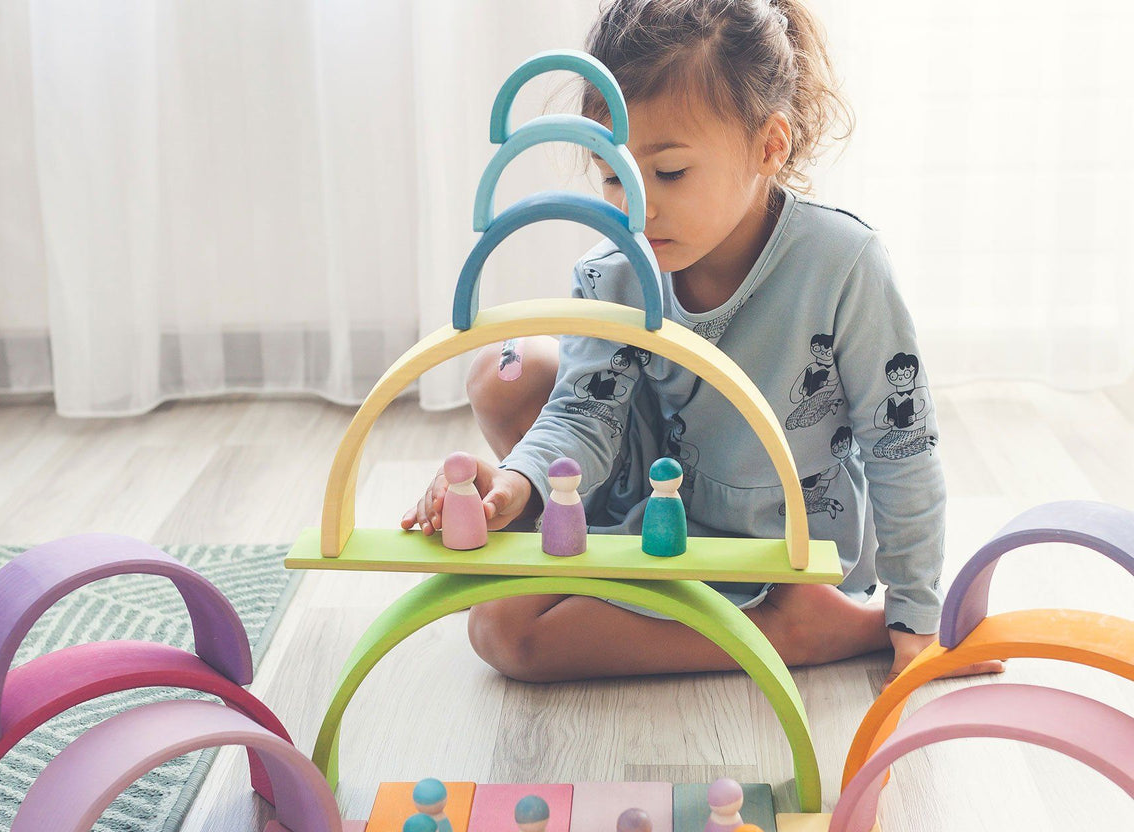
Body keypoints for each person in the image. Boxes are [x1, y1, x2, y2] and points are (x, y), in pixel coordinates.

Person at [401, 0, 1003, 689]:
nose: (638, 207)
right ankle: (749, 615)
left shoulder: (845, 265)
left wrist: (913, 619)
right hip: (656, 513)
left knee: (503, 632)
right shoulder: (614, 270)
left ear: (769, 147)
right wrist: (517, 486)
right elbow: (582, 415)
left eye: (670, 173)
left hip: (787, 544)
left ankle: (805, 626)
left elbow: (901, 446)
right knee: (505, 379)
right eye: (613, 176)